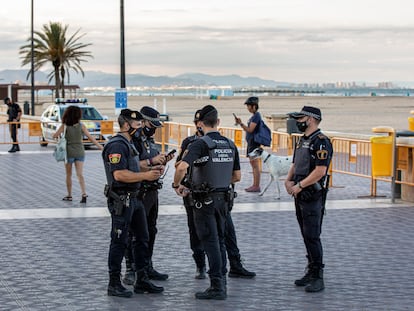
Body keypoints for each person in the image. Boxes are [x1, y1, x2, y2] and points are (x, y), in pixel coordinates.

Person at [176, 110, 255, 280]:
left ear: (200, 123)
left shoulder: (198, 144)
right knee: (217, 238)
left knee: (213, 239)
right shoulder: (228, 143)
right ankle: (207, 269)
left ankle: (219, 281)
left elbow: (180, 167)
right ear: (218, 121)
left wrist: (176, 184)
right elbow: (237, 177)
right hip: (220, 197)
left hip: (202, 198)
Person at [102, 108, 164, 298]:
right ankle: (113, 283)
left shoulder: (130, 144)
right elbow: (119, 174)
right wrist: (145, 175)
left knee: (142, 238)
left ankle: (142, 279)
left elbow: (138, 165)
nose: (141, 128)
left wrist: (153, 167)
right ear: (127, 125)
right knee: (119, 242)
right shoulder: (117, 146)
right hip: (122, 199)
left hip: (135, 198)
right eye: (137, 125)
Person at [284, 106, 333, 293]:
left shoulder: (321, 142)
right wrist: (288, 181)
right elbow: (296, 164)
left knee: (312, 236)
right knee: (306, 235)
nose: (298, 121)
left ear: (311, 119)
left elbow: (320, 171)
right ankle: (311, 270)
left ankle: (318, 276)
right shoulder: (302, 141)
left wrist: (300, 185)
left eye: (300, 118)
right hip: (300, 193)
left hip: (312, 194)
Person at [123, 106, 174, 284]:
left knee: (150, 231)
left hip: (152, 191)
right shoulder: (132, 141)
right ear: (143, 122)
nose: (153, 128)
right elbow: (132, 164)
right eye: (151, 124)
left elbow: (150, 162)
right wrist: (152, 162)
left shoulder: (149, 140)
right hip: (138, 192)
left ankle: (146, 266)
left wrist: (161, 162)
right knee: (134, 233)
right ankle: (131, 269)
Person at [53, 105, 103, 203]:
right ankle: (84, 193)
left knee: (68, 174)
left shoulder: (65, 126)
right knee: (80, 174)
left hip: (69, 152)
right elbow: (90, 137)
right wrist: (100, 146)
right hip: (80, 151)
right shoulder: (81, 126)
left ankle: (69, 195)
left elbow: (55, 135)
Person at [234, 96, 262, 192]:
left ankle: (256, 185)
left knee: (255, 165)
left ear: (254, 106)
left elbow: (250, 130)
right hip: (251, 143)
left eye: (249, 106)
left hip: (254, 144)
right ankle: (255, 185)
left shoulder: (256, 116)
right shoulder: (254, 116)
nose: (248, 108)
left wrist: (241, 124)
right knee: (254, 165)